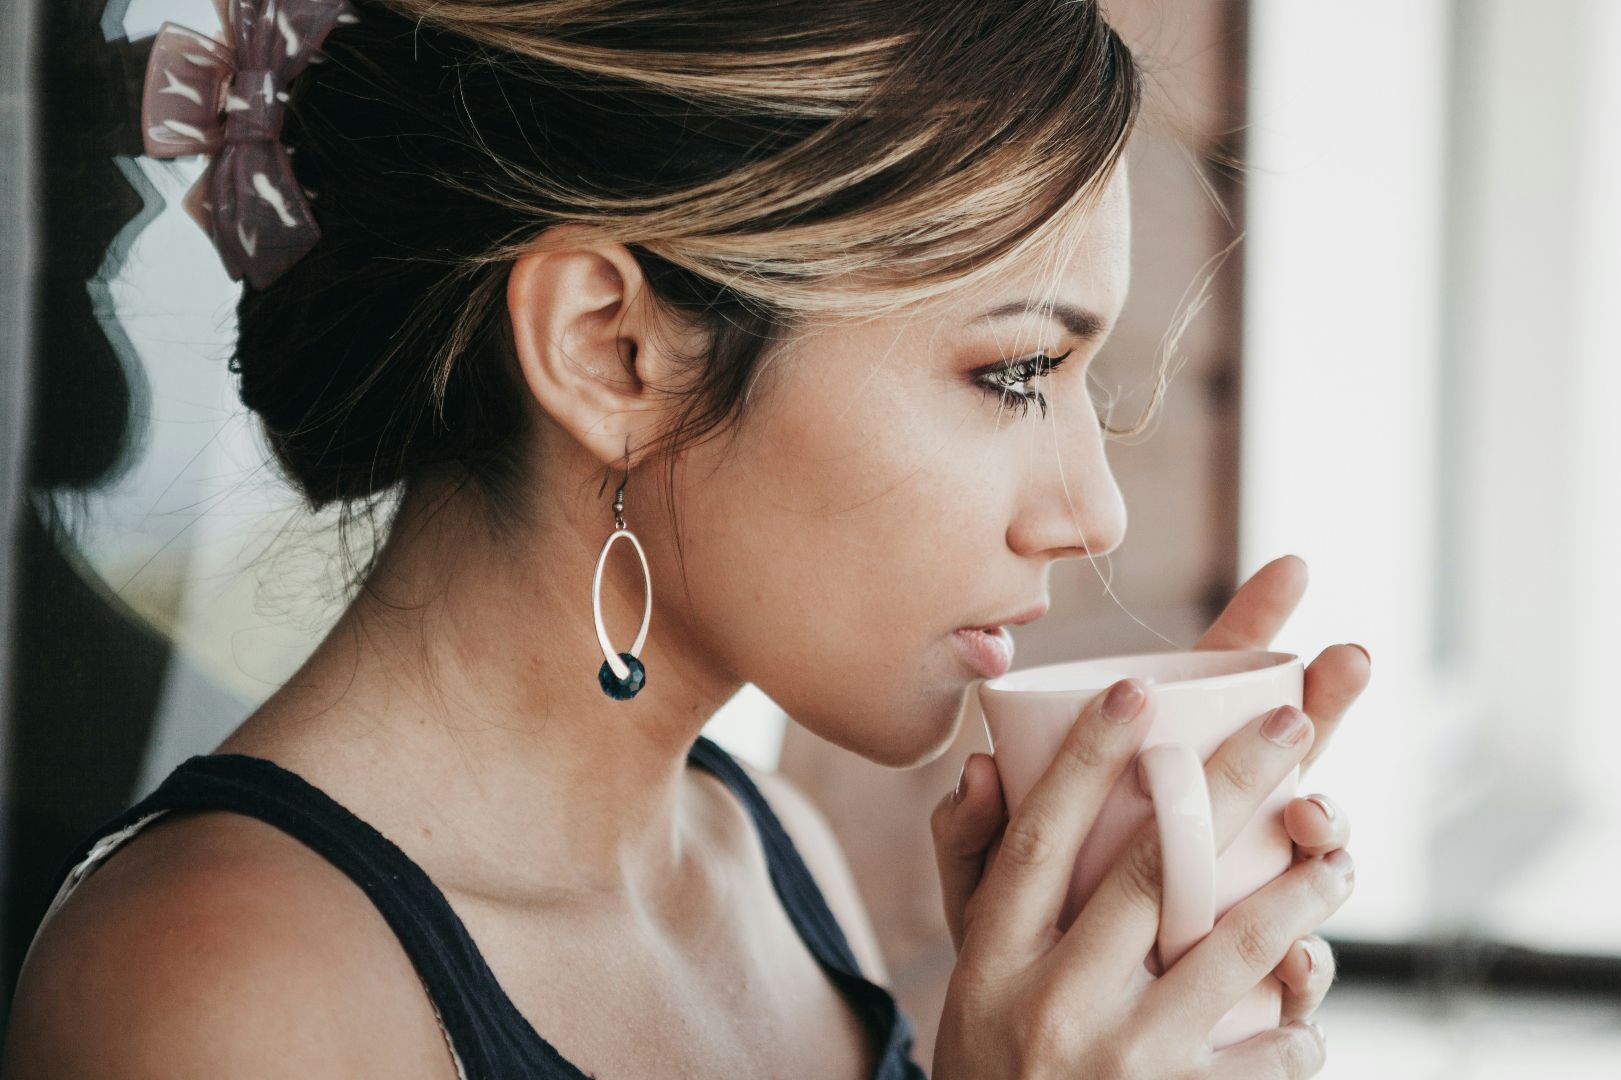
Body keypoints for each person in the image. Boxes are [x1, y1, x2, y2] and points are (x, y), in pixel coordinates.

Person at [3, 0, 1371, 1076]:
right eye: (1012, 374)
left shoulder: (771, 854)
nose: (1096, 511)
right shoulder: (222, 991)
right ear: (611, 349)